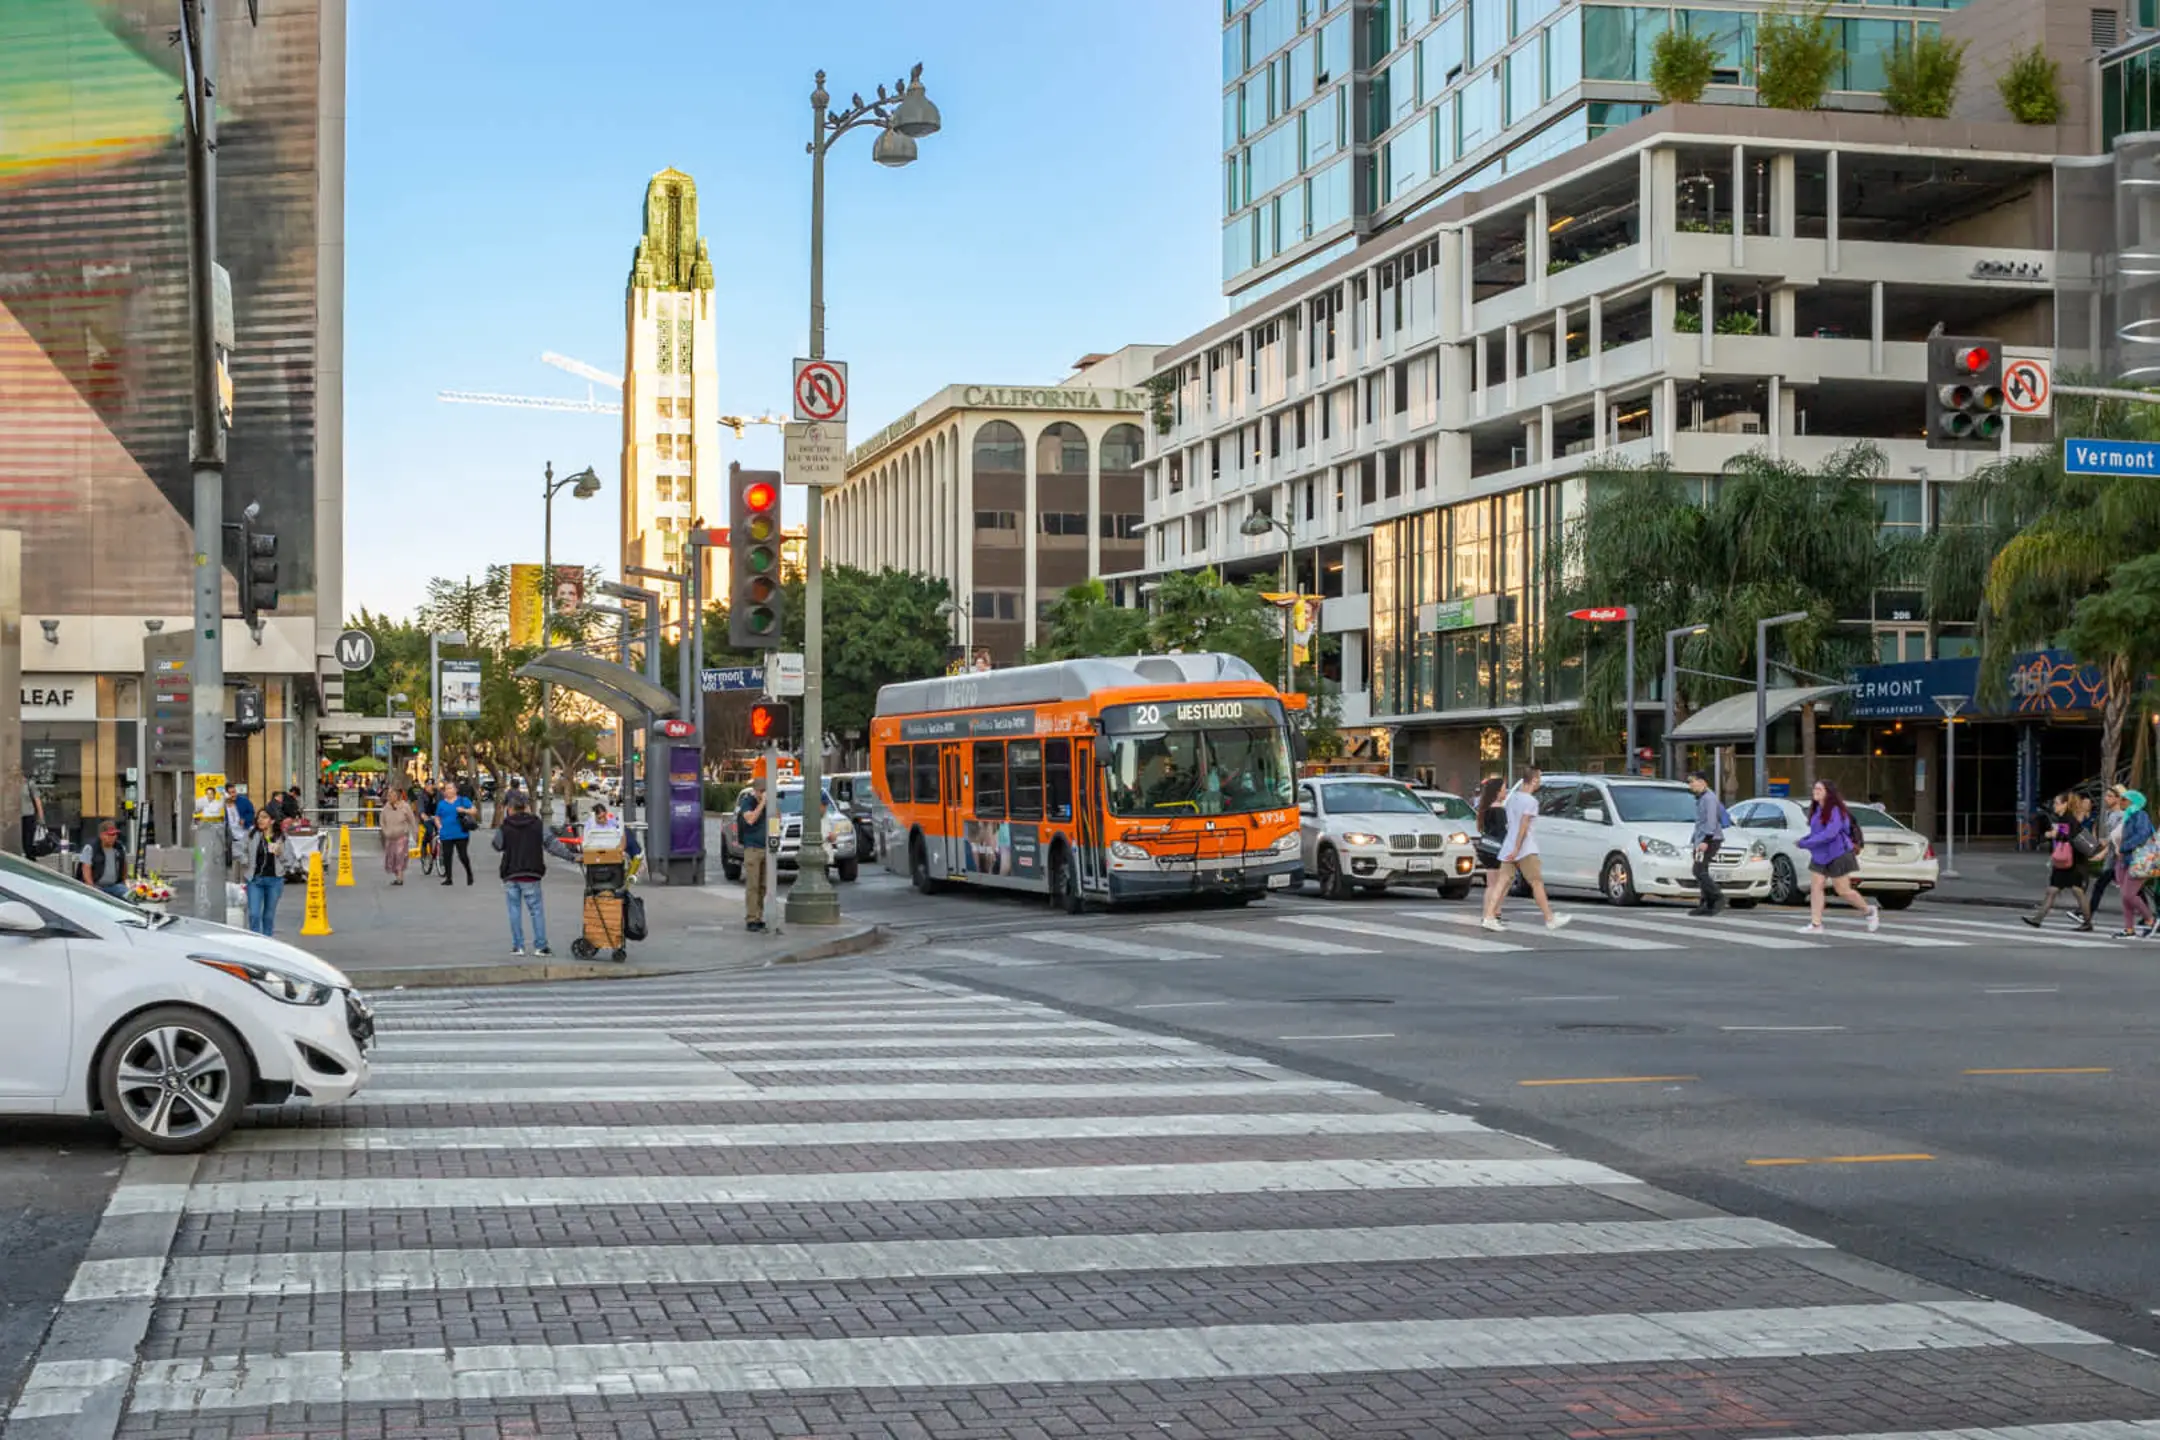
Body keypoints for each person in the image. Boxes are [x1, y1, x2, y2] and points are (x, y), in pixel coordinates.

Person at [1481, 766, 1570, 933]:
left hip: (1509, 845)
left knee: (1501, 882)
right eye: (1539, 779)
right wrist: (1517, 848)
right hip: (1525, 848)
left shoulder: (1512, 798)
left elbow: (1511, 823)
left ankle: (1489, 916)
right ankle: (1550, 918)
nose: (1540, 782)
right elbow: (1524, 825)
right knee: (1536, 883)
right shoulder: (1531, 802)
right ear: (1534, 780)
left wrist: (1512, 847)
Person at [1797, 778, 1878, 934]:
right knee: (1816, 887)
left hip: (1838, 853)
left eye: (1819, 789)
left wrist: (1806, 843)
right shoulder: (1817, 810)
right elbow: (1817, 832)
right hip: (1820, 855)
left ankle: (1869, 910)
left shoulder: (1836, 810)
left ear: (1829, 793)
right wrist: (1805, 840)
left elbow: (1830, 834)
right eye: (1815, 789)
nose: (1815, 791)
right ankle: (1816, 924)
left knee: (1843, 891)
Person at [2025, 792, 2097, 931]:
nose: (2054, 806)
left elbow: (2066, 836)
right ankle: (2038, 919)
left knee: (2076, 891)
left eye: (2057, 803)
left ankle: (2087, 923)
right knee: (2054, 890)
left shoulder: (2067, 819)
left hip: (2072, 862)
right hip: (2069, 861)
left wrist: (2051, 834)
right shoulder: (2067, 818)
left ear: (2065, 804)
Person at [492, 791, 551, 956]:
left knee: (514, 910)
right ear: (527, 807)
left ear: (510, 808)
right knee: (536, 910)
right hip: (532, 873)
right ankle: (540, 946)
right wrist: (572, 857)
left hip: (511, 873)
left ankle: (518, 946)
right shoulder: (537, 824)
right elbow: (552, 844)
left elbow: (497, 845)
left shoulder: (506, 826)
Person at [2109, 787, 2155, 939]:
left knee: (2129, 894)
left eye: (2124, 799)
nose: (2121, 801)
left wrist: (2124, 847)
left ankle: (2150, 919)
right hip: (2125, 860)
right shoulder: (2128, 815)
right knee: (2125, 896)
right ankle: (2129, 929)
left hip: (2138, 859)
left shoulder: (2140, 815)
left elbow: (2142, 834)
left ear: (2133, 801)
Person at [1685, 770, 1728, 917]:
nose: (1690, 785)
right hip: (1703, 839)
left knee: (1698, 870)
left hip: (1710, 840)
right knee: (1701, 870)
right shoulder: (1702, 798)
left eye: (1692, 781)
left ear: (1702, 782)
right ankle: (1706, 903)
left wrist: (1705, 841)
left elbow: (1711, 821)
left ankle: (1717, 897)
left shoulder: (1709, 798)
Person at [242, 808, 288, 936]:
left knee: (268, 916)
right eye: (259, 817)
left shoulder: (281, 837)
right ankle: (255, 941)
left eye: (264, 817)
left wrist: (279, 853)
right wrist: (245, 861)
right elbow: (240, 850)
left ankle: (267, 943)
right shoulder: (252, 834)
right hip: (255, 880)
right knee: (254, 914)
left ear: (272, 821)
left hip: (274, 880)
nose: (260, 820)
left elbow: (290, 859)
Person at [737, 776, 771, 933]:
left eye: (765, 791)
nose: (763, 794)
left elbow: (777, 818)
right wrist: (762, 803)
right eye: (761, 791)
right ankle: (751, 918)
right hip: (752, 849)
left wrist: (772, 804)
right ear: (755, 791)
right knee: (753, 885)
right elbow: (750, 819)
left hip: (766, 848)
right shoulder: (748, 802)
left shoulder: (768, 803)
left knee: (763, 886)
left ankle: (759, 916)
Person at [435, 781, 475, 886]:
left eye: (450, 788)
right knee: (447, 856)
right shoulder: (441, 804)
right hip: (446, 834)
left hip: (461, 833)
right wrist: (439, 826)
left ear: (455, 790)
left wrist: (464, 810)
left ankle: (469, 873)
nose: (448, 791)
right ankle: (449, 878)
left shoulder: (463, 800)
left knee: (463, 855)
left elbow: (474, 811)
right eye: (446, 789)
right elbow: (437, 817)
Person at [77, 821, 129, 897]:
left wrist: (124, 882)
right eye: (109, 835)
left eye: (114, 834)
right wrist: (92, 888)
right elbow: (86, 870)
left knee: (129, 895)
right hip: (97, 887)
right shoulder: (90, 848)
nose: (113, 837)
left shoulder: (120, 848)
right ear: (101, 835)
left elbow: (124, 866)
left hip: (115, 886)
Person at [380, 787, 418, 887]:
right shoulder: (386, 807)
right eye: (388, 795)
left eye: (392, 795)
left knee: (400, 855)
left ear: (397, 796)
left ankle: (400, 878)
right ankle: (397, 876)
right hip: (390, 836)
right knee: (391, 857)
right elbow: (382, 821)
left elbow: (412, 820)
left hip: (402, 835)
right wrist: (385, 831)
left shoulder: (405, 806)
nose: (389, 797)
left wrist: (415, 833)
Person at [223, 782, 255, 882]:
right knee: (236, 860)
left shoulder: (244, 801)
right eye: (231, 793)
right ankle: (236, 881)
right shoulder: (223, 805)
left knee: (245, 859)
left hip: (245, 832)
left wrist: (245, 819)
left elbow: (251, 812)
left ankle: (245, 880)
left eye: (234, 792)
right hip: (232, 836)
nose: (234, 794)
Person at [19, 773, 42, 859]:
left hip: (29, 816)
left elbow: (37, 801)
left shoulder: (29, 784)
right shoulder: (12, 785)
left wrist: (41, 817)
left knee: (28, 841)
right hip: (16, 818)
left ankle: (31, 858)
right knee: (22, 841)